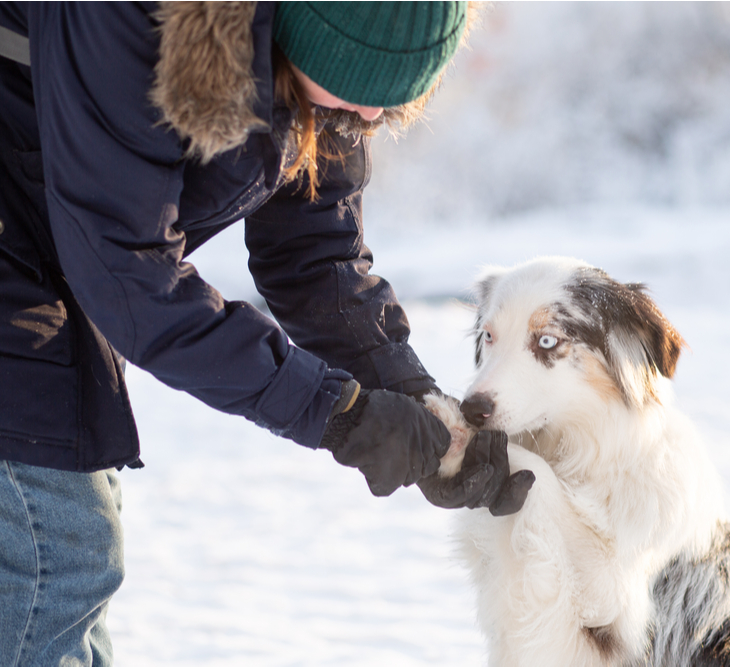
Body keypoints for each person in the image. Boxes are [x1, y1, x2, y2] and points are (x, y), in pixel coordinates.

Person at [0, 2, 534, 664]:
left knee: (69, 560)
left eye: (392, 106)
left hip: (52, 230)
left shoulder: (318, 57)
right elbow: (130, 273)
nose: (369, 119)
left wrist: (413, 394)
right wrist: (341, 414)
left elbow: (313, 256)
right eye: (362, 93)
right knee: (55, 551)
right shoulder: (129, 13)